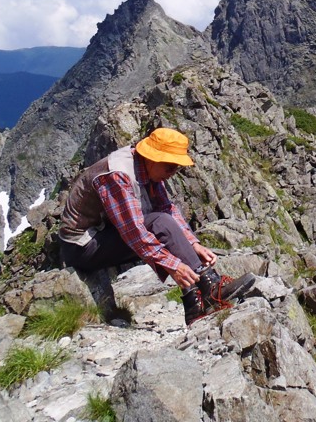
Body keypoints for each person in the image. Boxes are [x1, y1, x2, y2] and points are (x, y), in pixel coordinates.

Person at [59, 127, 253, 325]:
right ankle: (212, 290)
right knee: (160, 224)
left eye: (177, 168)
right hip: (82, 246)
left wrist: (193, 244)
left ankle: (196, 304)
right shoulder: (118, 175)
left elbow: (166, 208)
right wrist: (175, 266)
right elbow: (135, 234)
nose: (173, 173)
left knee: (164, 222)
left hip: (105, 234)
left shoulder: (148, 169)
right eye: (170, 167)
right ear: (152, 158)